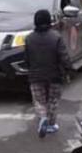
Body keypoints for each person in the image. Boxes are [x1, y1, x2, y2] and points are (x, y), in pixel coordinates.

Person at [26, 9, 72, 138]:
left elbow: (27, 58)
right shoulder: (56, 37)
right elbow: (63, 56)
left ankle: (42, 117)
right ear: (49, 21)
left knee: (39, 100)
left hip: (35, 76)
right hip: (54, 75)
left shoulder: (29, 38)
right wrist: (69, 70)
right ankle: (51, 125)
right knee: (53, 100)